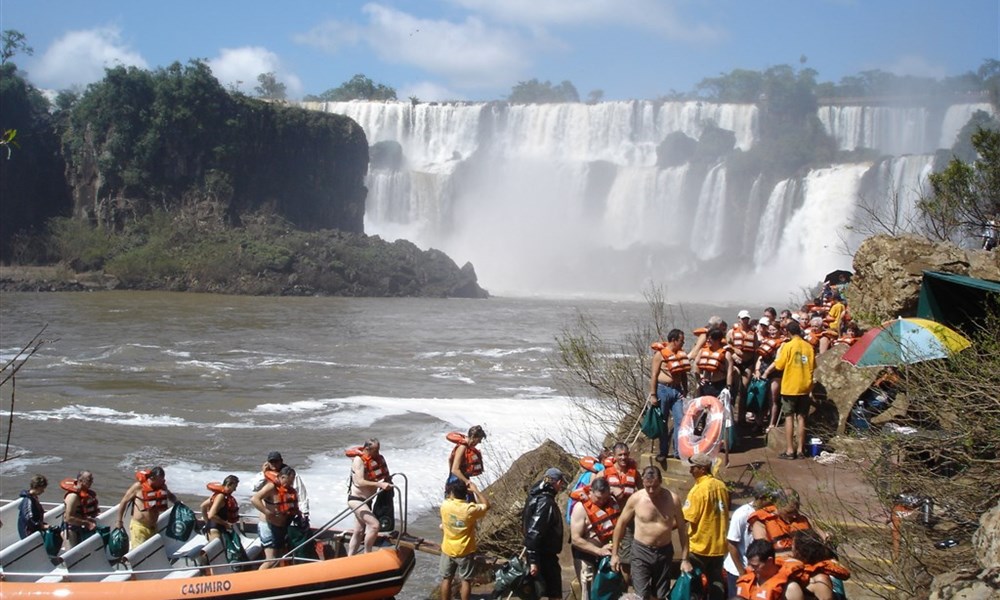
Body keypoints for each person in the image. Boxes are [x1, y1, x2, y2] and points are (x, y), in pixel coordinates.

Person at [611, 466, 690, 600]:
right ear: (643, 481)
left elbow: (682, 529)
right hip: (641, 551)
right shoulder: (636, 499)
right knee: (641, 595)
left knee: (660, 595)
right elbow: (621, 524)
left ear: (661, 481)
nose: (651, 491)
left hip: (664, 551)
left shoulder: (673, 499)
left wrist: (685, 559)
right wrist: (614, 554)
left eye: (655, 486)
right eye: (648, 487)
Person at [762, 320, 815, 460]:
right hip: (805, 386)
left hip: (790, 386)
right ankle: (801, 450)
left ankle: (790, 450)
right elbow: (812, 366)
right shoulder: (809, 347)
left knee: (789, 417)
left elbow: (779, 365)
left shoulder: (788, 346)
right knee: (802, 417)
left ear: (788, 332)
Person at [681, 453, 730, 600]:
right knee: (717, 582)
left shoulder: (698, 491)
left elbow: (687, 517)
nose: (690, 471)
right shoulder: (722, 486)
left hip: (700, 547)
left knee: (693, 583)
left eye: (693, 468)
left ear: (702, 469)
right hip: (719, 546)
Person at [569, 477, 619, 600]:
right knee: (588, 593)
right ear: (590, 492)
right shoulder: (580, 508)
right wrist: (599, 551)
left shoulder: (612, 502)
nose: (602, 501)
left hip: (607, 556)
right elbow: (575, 539)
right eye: (598, 498)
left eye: (605, 498)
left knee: (608, 592)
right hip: (586, 557)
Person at [439, 479, 490, 600]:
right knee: (466, 581)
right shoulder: (469, 509)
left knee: (447, 579)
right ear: (465, 493)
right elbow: (487, 505)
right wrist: (476, 490)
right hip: (465, 550)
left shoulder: (445, 505)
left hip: (447, 548)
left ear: (452, 493)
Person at [523, 467, 567, 600]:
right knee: (553, 593)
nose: (561, 486)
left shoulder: (535, 496)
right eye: (561, 483)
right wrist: (533, 561)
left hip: (538, 552)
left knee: (536, 593)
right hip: (543, 555)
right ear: (557, 483)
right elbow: (534, 532)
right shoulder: (545, 503)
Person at [724, 482, 775, 593]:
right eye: (770, 498)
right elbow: (731, 544)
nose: (773, 501)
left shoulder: (769, 513)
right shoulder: (742, 514)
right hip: (737, 571)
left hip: (756, 569)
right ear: (761, 498)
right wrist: (741, 572)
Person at [648, 329, 689, 460]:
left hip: (677, 391)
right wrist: (653, 394)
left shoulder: (681, 354)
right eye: (681, 340)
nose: (683, 343)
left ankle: (678, 452)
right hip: (663, 390)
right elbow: (654, 375)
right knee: (663, 421)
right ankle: (663, 451)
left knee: (680, 420)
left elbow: (683, 374)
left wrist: (685, 389)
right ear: (674, 340)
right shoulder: (660, 355)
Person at [347, 438, 392, 556]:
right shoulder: (359, 460)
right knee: (374, 525)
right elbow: (360, 482)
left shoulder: (377, 460)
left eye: (378, 450)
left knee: (359, 531)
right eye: (375, 451)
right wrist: (379, 484)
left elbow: (384, 475)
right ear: (367, 449)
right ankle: (368, 553)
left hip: (368, 501)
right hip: (356, 500)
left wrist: (388, 483)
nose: (377, 453)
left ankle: (349, 558)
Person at [115, 466, 177, 550]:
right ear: (153, 478)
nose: (162, 482)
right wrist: (119, 521)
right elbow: (124, 502)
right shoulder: (138, 486)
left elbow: (170, 496)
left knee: (153, 553)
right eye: (160, 480)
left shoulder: (162, 487)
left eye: (163, 479)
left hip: (153, 527)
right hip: (139, 527)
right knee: (139, 553)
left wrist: (178, 503)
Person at [251, 465, 300, 569]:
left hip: (281, 527)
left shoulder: (288, 490)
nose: (290, 484)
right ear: (282, 477)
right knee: (271, 559)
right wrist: (267, 512)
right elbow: (254, 499)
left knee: (279, 557)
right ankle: (256, 580)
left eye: (292, 481)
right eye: (289, 481)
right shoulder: (271, 487)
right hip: (268, 526)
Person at [749, 489, 818, 557]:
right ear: (778, 506)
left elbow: (821, 537)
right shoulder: (761, 523)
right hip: (778, 565)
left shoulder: (803, 520)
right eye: (789, 513)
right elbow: (762, 553)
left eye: (796, 511)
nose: (794, 516)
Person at [786, 529, 850, 600]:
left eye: (792, 546)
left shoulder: (820, 579)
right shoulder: (791, 569)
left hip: (831, 591)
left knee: (835, 579)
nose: (791, 549)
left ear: (797, 552)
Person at [733, 539, 805, 600]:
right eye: (750, 565)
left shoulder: (790, 589)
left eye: (755, 566)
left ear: (769, 561)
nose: (751, 569)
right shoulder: (748, 582)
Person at [252, 451, 309, 525]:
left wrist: (305, 513)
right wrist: (263, 473)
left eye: (276, 461)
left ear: (281, 461)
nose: (274, 464)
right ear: (267, 463)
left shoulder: (291, 475)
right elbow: (255, 488)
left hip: (287, 517)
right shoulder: (262, 476)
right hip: (268, 519)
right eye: (271, 462)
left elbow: (301, 494)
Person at [61, 471, 100, 548]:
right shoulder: (73, 496)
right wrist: (87, 523)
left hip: (80, 527)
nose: (92, 482)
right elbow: (68, 518)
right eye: (89, 480)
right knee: (72, 555)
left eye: (92, 480)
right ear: (80, 481)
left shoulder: (85, 494)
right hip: (70, 530)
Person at [693, 327, 734, 398]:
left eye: (710, 339)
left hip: (719, 385)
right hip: (705, 384)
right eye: (707, 338)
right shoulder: (702, 351)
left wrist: (728, 387)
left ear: (718, 340)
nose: (707, 341)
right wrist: (698, 378)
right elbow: (696, 365)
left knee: (718, 408)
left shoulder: (726, 354)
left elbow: (730, 371)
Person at [201, 475, 240, 542]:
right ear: (229, 484)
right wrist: (226, 524)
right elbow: (211, 515)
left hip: (217, 528)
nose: (235, 489)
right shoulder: (220, 496)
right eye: (234, 487)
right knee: (218, 552)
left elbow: (203, 506)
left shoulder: (220, 495)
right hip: (215, 531)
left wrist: (207, 523)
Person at [17, 474, 49, 539]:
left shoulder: (33, 498)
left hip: (33, 529)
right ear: (37, 487)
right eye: (42, 488)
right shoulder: (28, 500)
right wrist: (41, 526)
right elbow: (29, 519)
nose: (43, 491)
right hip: (28, 532)